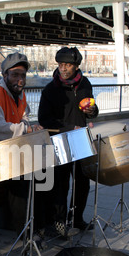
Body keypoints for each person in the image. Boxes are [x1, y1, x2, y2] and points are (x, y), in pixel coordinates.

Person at [0, 52, 42, 235]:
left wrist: (31, 126)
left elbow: (23, 119)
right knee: (21, 180)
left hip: (7, 154)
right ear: (4, 75)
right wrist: (25, 130)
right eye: (15, 75)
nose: (20, 80)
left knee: (41, 174)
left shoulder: (20, 96)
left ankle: (37, 222)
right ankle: (23, 230)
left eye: (22, 75)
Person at [38, 46, 99, 237]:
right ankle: (59, 221)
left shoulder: (85, 83)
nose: (63, 68)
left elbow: (92, 108)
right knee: (61, 183)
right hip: (60, 139)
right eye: (61, 64)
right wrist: (67, 128)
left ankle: (77, 218)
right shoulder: (50, 90)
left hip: (81, 138)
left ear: (76, 66)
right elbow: (44, 119)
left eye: (68, 65)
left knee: (83, 182)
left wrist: (92, 112)